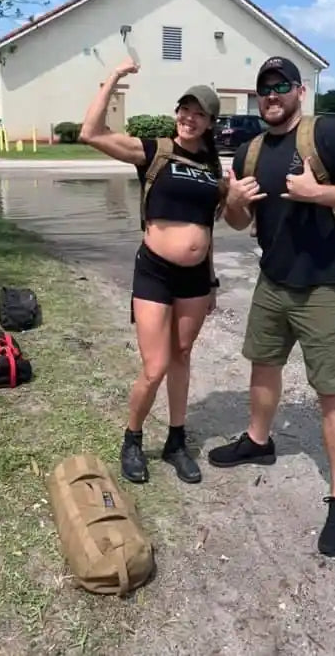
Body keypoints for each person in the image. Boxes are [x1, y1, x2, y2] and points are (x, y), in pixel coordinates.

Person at [208, 56, 335, 558]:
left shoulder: (327, 134)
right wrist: (235, 201)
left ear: (299, 91)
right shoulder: (250, 150)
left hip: (328, 286)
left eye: (281, 85)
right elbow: (239, 222)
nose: (272, 95)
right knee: (263, 364)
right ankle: (258, 440)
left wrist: (317, 192)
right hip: (273, 281)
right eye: (264, 88)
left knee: (332, 391)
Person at [80, 57, 224, 486]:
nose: (189, 118)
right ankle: (133, 438)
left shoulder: (213, 166)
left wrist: (212, 280)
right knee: (155, 366)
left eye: (199, 113)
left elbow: (208, 229)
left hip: (196, 280)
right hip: (155, 273)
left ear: (210, 122)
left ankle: (176, 442)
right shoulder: (155, 150)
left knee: (182, 355)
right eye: (185, 110)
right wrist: (114, 77)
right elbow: (91, 133)